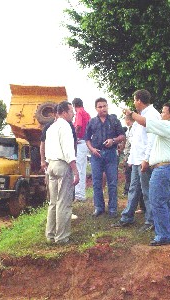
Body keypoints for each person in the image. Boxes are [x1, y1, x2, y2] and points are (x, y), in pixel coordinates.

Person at [124, 102, 170, 246]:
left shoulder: (169, 126)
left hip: (164, 170)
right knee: (164, 202)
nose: (160, 115)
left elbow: (145, 122)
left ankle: (163, 235)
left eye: (163, 112)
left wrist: (131, 113)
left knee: (157, 202)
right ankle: (165, 232)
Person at [113, 89, 160, 232]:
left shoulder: (152, 115)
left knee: (147, 192)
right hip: (137, 160)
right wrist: (131, 160)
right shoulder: (141, 116)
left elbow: (152, 140)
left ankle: (151, 221)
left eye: (134, 100)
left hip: (144, 161)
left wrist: (146, 159)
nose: (134, 103)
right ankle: (127, 217)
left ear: (139, 100)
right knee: (133, 189)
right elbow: (137, 140)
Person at [45, 101, 80, 244]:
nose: (73, 114)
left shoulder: (51, 128)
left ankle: (50, 235)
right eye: (71, 111)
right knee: (63, 202)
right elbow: (68, 151)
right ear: (64, 112)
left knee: (53, 202)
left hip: (51, 165)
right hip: (62, 165)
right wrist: (75, 170)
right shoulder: (65, 126)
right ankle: (62, 238)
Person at [85, 97, 125, 217]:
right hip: (96, 155)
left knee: (112, 182)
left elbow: (122, 135)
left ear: (107, 106)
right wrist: (92, 149)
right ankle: (99, 207)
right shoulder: (92, 122)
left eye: (105, 106)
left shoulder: (114, 120)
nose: (103, 108)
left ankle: (112, 208)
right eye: (100, 107)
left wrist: (113, 140)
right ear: (96, 109)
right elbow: (87, 139)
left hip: (111, 154)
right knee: (96, 182)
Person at [72, 98, 91, 202]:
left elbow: (78, 125)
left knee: (78, 168)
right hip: (85, 142)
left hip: (80, 142)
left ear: (74, 105)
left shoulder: (79, 112)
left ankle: (79, 196)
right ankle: (81, 194)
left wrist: (74, 138)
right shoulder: (87, 114)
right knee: (82, 168)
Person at [122, 115, 134, 196]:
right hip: (127, 154)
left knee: (129, 174)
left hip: (131, 155)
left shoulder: (133, 129)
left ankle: (128, 190)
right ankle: (127, 190)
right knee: (128, 174)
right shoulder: (129, 130)